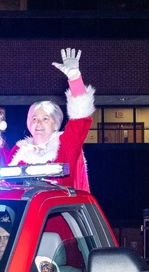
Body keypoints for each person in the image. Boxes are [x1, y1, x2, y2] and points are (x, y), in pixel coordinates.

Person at [6, 48, 95, 191]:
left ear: (55, 124)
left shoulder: (65, 144)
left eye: (45, 119)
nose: (38, 123)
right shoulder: (18, 150)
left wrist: (74, 78)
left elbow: (81, 119)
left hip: (59, 212)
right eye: (34, 119)